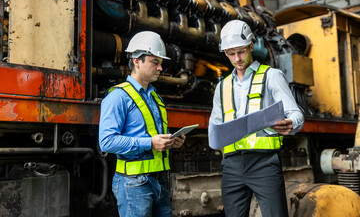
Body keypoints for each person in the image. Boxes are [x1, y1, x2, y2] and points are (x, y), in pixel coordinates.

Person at [209, 20, 304, 217]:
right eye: (231, 53)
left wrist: (291, 123)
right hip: (232, 165)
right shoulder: (222, 87)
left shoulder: (272, 76)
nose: (237, 58)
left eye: (241, 51)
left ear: (251, 46)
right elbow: (215, 128)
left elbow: (296, 113)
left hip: (264, 163)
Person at [99, 31, 186, 217]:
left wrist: (172, 140)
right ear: (137, 61)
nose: (160, 68)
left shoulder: (155, 97)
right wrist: (150, 143)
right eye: (155, 62)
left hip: (159, 182)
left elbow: (153, 134)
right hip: (134, 184)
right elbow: (106, 142)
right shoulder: (118, 97)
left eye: (160, 63)